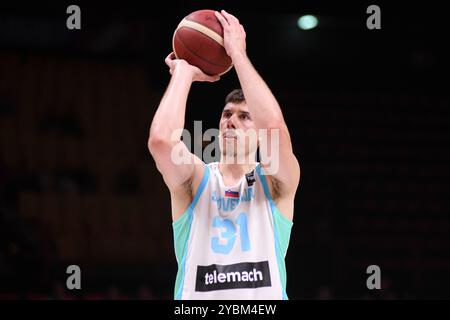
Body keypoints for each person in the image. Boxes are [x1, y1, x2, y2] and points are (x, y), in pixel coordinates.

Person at [148, 10, 300, 300]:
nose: (231, 120)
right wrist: (184, 73)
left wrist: (238, 55)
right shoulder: (197, 179)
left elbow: (275, 127)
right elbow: (160, 141)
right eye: (227, 114)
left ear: (259, 134)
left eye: (245, 117)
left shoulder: (276, 183)